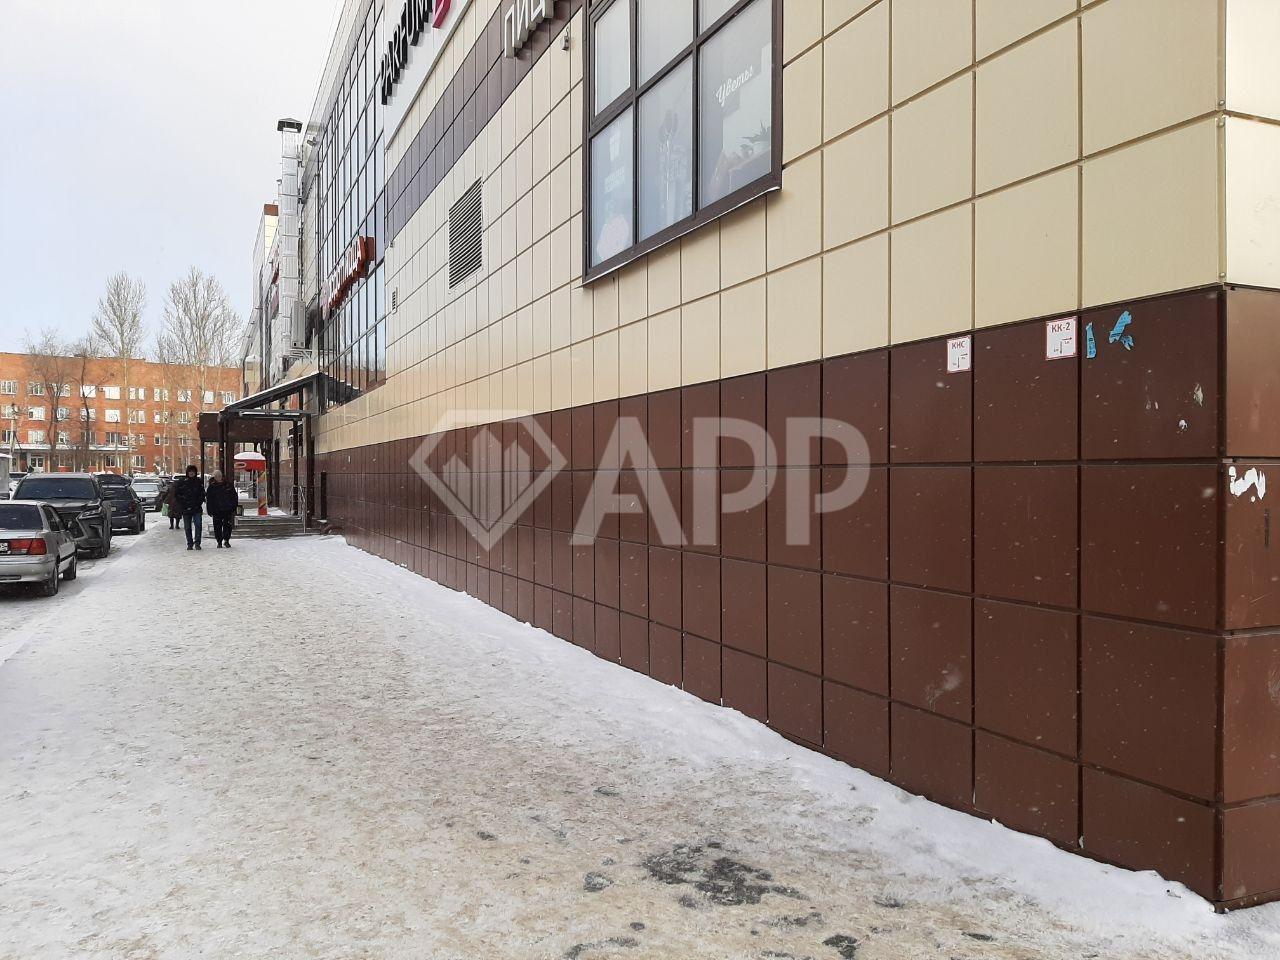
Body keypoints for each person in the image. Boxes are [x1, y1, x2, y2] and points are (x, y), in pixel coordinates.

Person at [173, 465, 206, 550]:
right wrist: (183, 503)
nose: (191, 473)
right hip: (186, 508)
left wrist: (198, 502)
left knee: (198, 525)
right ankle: (190, 543)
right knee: (187, 527)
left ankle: (197, 543)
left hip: (196, 508)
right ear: (187, 472)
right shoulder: (182, 482)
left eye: (193, 471)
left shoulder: (198, 482)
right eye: (190, 471)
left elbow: (202, 494)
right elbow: (177, 494)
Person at [206, 469, 238, 548]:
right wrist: (209, 510)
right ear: (214, 477)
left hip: (227, 509)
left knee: (227, 526)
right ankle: (219, 541)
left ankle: (226, 540)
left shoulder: (228, 485)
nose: (219, 478)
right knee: (217, 526)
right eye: (217, 476)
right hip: (216, 510)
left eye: (220, 476)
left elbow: (234, 496)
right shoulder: (212, 487)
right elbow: (209, 499)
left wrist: (233, 506)